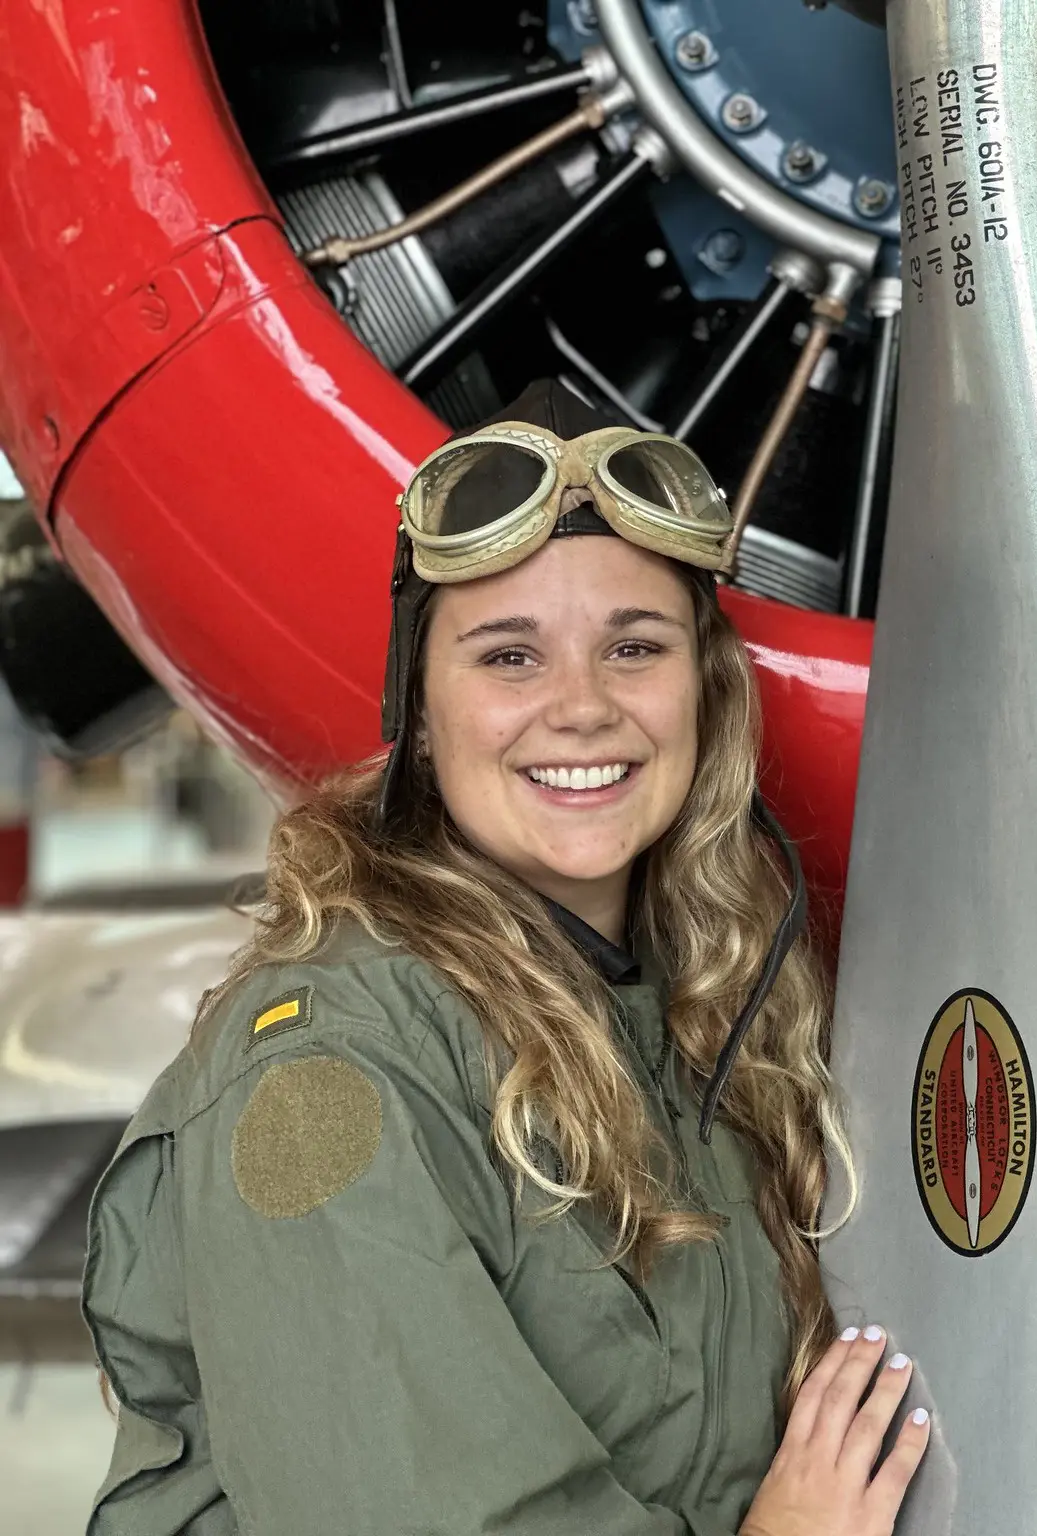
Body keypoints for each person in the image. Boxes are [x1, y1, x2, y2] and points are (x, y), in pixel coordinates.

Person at [82, 381, 928, 1535]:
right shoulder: (321, 1077)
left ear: (706, 689)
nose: (580, 707)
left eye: (634, 646)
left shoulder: (698, 1018)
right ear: (420, 715)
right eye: (508, 657)